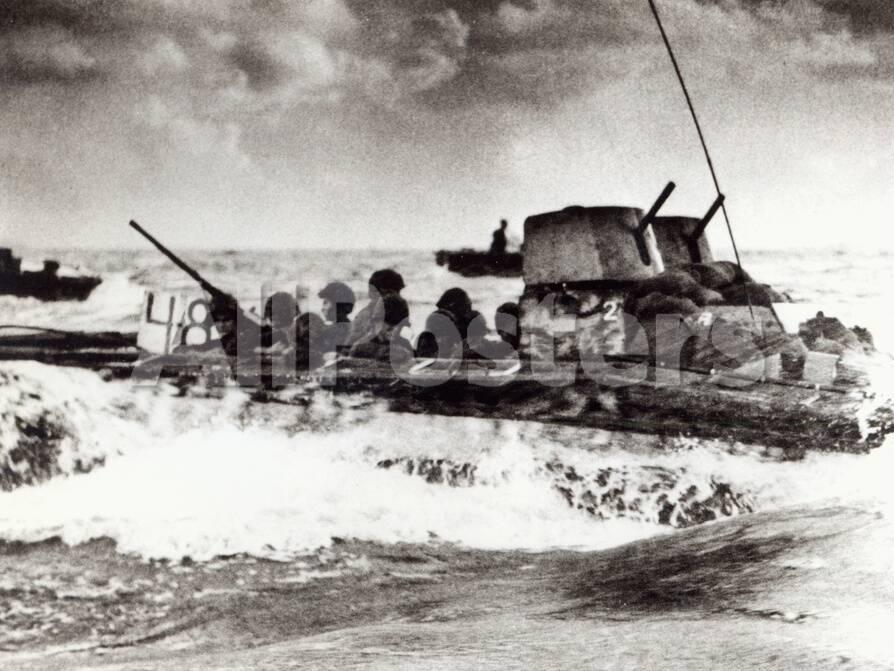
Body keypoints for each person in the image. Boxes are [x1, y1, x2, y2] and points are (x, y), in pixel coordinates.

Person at [349, 294, 413, 364]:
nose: (395, 331)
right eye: (390, 327)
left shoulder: (404, 344)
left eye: (400, 326)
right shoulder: (360, 345)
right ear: (376, 322)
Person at [348, 269, 405, 347]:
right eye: (391, 293)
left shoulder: (393, 314)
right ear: (372, 293)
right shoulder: (365, 316)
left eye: (398, 292)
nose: (397, 297)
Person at [318, 281, 355, 355]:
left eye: (325, 303)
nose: (322, 308)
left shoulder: (336, 330)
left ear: (336, 306)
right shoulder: (351, 326)